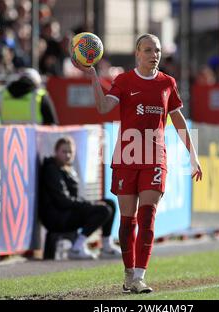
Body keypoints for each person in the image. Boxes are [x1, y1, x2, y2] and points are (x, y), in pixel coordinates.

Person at [73, 33, 202, 294]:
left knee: (147, 215)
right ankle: (128, 274)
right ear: (137, 53)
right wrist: (93, 77)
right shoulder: (124, 80)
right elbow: (103, 107)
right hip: (127, 156)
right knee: (127, 219)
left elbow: (177, 120)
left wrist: (193, 155)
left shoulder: (167, 83)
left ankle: (140, 276)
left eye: (156, 50)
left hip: (155, 157)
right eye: (147, 50)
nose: (153, 55)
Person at [39, 137, 122, 260]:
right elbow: (62, 200)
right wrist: (89, 205)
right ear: (56, 152)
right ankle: (77, 248)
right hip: (57, 217)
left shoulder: (67, 168)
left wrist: (90, 204)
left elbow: (72, 199)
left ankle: (106, 246)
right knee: (104, 210)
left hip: (67, 211)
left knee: (110, 203)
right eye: (64, 151)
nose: (67, 155)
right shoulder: (51, 169)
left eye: (70, 152)